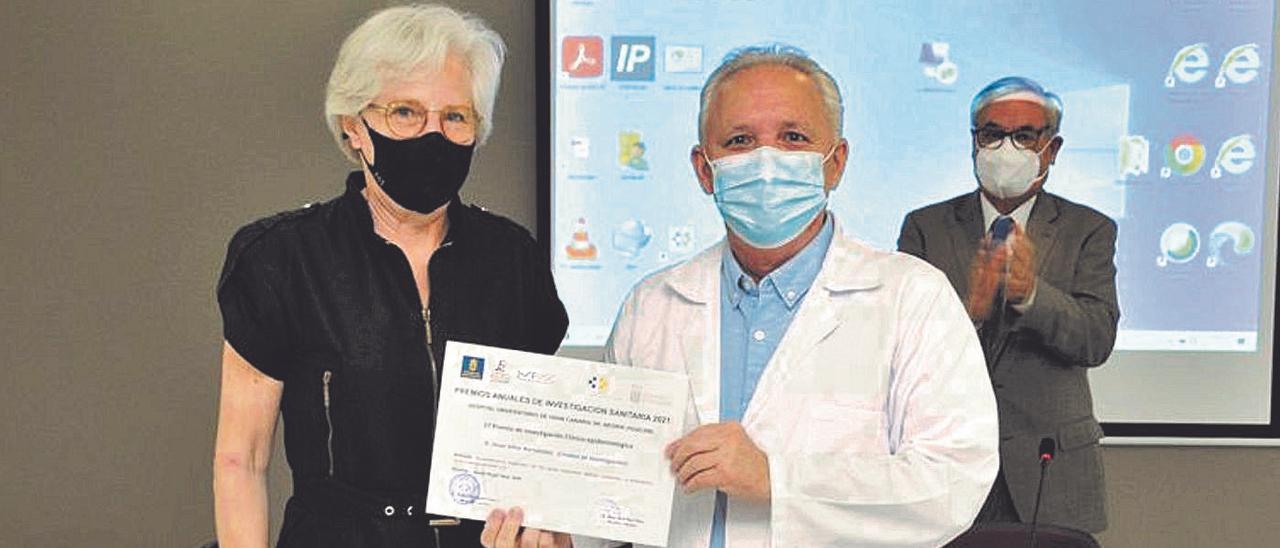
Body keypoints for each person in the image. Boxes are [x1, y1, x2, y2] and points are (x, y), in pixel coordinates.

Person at [482, 44, 998, 548]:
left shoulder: (912, 298)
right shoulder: (653, 305)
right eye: (739, 141)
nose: (766, 160)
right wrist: (569, 534)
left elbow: (953, 484)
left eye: (793, 137)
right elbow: (621, 482)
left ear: (835, 163)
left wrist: (778, 478)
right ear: (705, 170)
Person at [212, 5, 568, 547]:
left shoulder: (511, 258)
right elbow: (242, 458)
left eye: (456, 116)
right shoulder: (282, 258)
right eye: (405, 112)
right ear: (353, 126)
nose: (434, 135)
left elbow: (539, 442)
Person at [897, 76, 1119, 535]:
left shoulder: (1089, 229)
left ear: (1051, 149)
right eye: (992, 134)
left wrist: (1031, 296)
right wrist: (969, 311)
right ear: (973, 142)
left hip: (1049, 468)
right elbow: (898, 347)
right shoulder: (925, 227)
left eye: (1024, 136)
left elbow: (1096, 338)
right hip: (945, 461)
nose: (1006, 148)